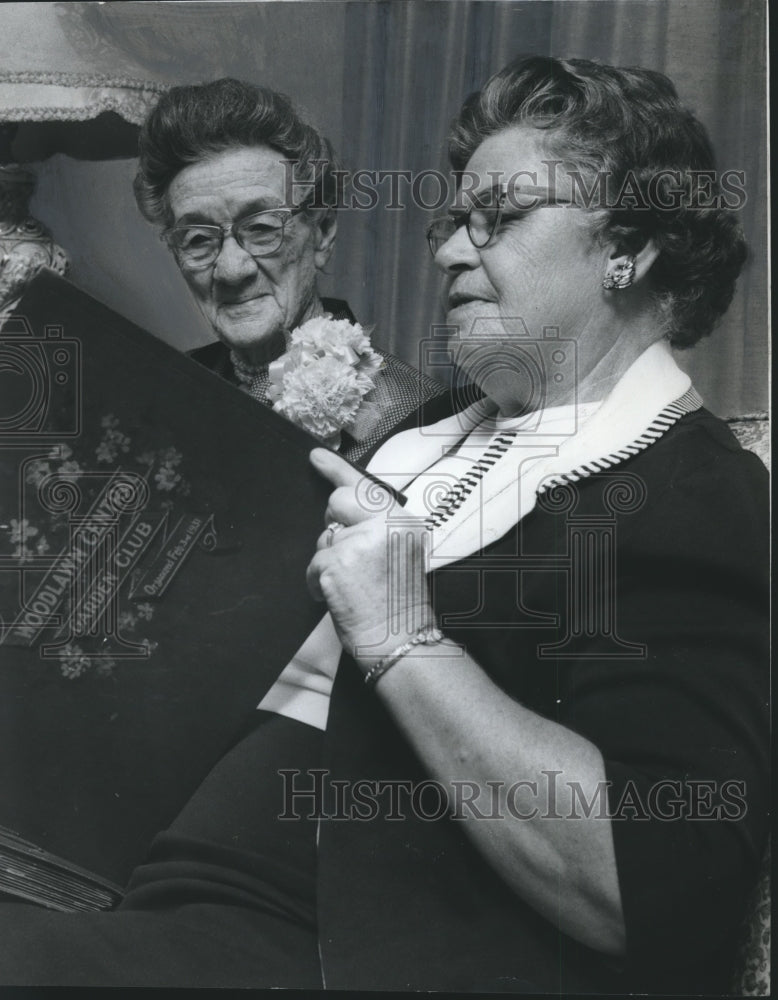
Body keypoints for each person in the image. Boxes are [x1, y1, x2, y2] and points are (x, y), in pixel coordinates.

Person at [0, 56, 768, 993]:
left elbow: (648, 886)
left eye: (501, 216)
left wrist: (405, 636)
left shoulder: (695, 493)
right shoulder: (424, 434)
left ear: (633, 247)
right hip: (121, 874)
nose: (446, 250)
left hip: (311, 941)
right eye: (454, 219)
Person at [133, 77, 446, 463]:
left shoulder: (418, 420)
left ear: (323, 233)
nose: (232, 270)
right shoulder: (162, 392)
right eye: (198, 239)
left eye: (263, 228)